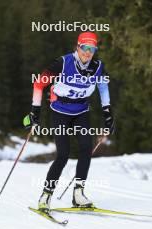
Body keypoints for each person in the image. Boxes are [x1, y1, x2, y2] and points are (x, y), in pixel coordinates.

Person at [23, 31, 114, 210]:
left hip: (81, 111)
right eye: (84, 48)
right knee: (63, 155)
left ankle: (78, 194)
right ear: (77, 47)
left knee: (86, 149)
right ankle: (46, 195)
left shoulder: (98, 66)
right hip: (60, 111)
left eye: (92, 49)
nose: (88, 52)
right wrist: (35, 112)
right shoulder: (63, 63)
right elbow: (39, 84)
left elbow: (103, 88)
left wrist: (108, 114)